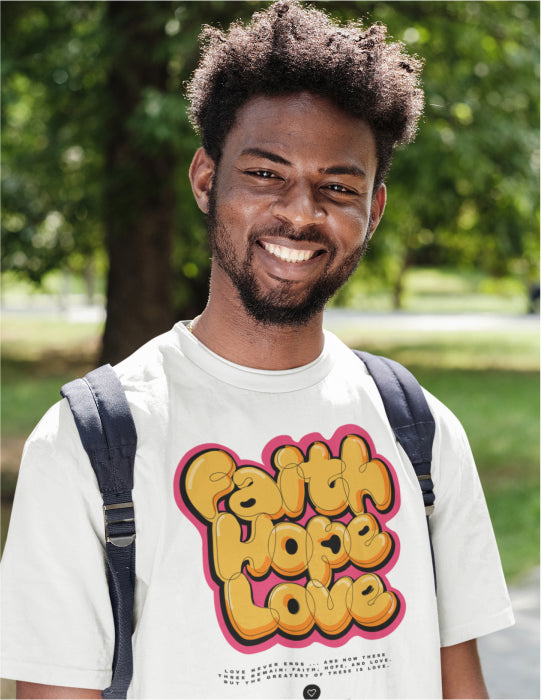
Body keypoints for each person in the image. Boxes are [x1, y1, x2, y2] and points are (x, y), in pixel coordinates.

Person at [1, 2, 514, 698]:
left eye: (337, 187)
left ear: (374, 210)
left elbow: (460, 686)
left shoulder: (417, 430)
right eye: (266, 175)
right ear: (207, 180)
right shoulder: (90, 444)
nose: (301, 213)